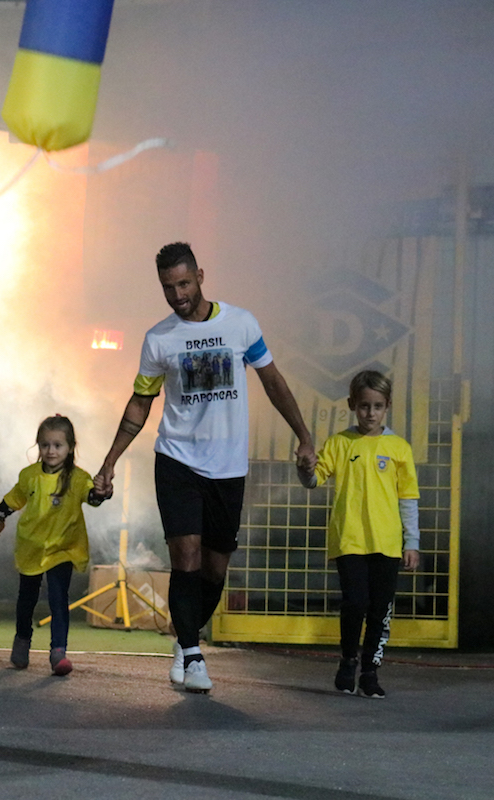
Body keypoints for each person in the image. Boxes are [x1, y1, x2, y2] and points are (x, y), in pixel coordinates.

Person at [93, 242, 316, 694]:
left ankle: (185, 638)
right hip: (177, 459)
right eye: (167, 287)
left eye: (183, 283)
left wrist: (304, 435)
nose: (177, 295)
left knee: (214, 568)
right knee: (186, 556)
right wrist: (109, 462)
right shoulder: (159, 339)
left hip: (228, 467)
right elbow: (140, 403)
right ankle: (194, 655)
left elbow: (273, 381)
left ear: (200, 276)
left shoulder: (241, 323)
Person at [297, 370, 421, 699]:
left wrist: (412, 542)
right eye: (364, 406)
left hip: (387, 543)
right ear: (352, 404)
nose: (370, 413)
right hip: (350, 539)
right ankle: (348, 660)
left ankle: (370, 672)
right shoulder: (339, 443)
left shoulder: (399, 448)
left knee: (380, 609)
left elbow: (408, 498)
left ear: (387, 406)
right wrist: (305, 468)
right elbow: (314, 479)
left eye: (377, 406)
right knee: (355, 603)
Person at [0, 415, 106, 676]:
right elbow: (11, 502)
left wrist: (102, 491)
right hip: (32, 547)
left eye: (57, 445)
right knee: (26, 600)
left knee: (58, 599)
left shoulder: (78, 478)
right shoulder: (29, 476)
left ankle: (58, 652)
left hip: (63, 549)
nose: (51, 451)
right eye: (45, 445)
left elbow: (93, 498)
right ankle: (22, 641)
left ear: (70, 447)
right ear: (38, 446)